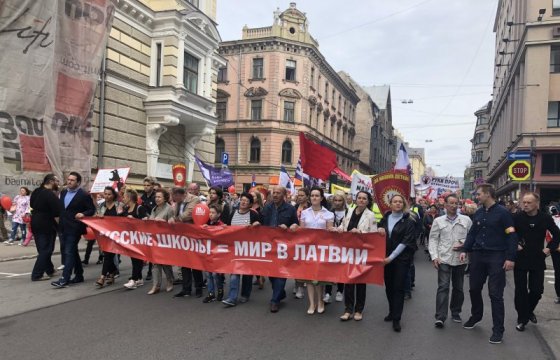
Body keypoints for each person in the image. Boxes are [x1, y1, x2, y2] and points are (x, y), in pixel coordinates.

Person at [459, 184, 517, 344]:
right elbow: (472, 234)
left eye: (479, 194)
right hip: (478, 255)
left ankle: (498, 330)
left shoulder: (503, 213)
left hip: (497, 256)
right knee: (474, 288)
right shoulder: (478, 212)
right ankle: (476, 315)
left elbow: (512, 236)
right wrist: (465, 249)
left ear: (487, 194)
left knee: (495, 294)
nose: (477, 197)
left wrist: (511, 258)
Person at [512, 192, 560, 331]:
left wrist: (549, 249)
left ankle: (528, 311)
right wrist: (514, 242)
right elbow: (508, 231)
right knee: (520, 291)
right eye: (524, 202)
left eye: (528, 202)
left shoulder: (545, 218)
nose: (525, 205)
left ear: (536, 204)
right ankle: (522, 319)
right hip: (520, 257)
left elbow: (557, 234)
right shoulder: (517, 217)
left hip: (538, 257)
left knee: (537, 290)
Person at [428, 194, 472, 328]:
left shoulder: (466, 220)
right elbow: (433, 239)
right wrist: (434, 256)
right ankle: (440, 316)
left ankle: (456, 311)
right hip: (444, 258)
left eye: (456, 203)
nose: (453, 206)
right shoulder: (438, 221)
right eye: (451, 203)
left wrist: (464, 245)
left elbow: (471, 237)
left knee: (458, 288)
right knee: (443, 287)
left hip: (460, 258)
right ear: (445, 205)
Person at [255, 186, 299, 313]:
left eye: (278, 193)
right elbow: (262, 221)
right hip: (268, 245)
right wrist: (257, 223)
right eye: (274, 193)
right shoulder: (267, 207)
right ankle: (280, 293)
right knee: (271, 272)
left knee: (280, 273)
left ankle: (274, 301)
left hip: (283, 246)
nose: (275, 195)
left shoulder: (290, 209)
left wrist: (290, 226)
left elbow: (295, 225)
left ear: (284, 195)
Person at [337, 190, 378, 322]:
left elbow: (374, 235)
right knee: (348, 281)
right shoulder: (349, 211)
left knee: (360, 282)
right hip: (348, 251)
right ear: (355, 200)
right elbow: (343, 226)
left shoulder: (370, 215)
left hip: (362, 253)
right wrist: (338, 229)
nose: (361, 200)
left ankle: (359, 310)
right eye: (359, 198)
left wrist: (360, 232)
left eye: (364, 199)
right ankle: (348, 309)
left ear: (367, 201)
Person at [378, 194, 417, 332]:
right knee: (389, 287)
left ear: (404, 204)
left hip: (401, 259)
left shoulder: (409, 221)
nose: (398, 204)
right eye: (395, 202)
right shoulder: (385, 218)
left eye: (400, 202)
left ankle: (397, 318)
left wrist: (391, 257)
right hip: (386, 259)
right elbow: (378, 235)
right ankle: (391, 311)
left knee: (398, 288)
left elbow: (405, 242)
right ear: (390, 204)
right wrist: (379, 229)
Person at [51, 172, 96, 288]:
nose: (69, 181)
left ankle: (65, 278)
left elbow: (91, 209)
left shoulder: (84, 195)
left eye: (72, 180)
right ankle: (79, 275)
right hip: (63, 226)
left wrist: (83, 213)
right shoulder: (63, 192)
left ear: (78, 182)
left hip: (75, 227)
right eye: (69, 179)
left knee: (69, 252)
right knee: (73, 251)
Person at [222, 193, 262, 307]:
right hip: (235, 248)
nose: (243, 202)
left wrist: (256, 224)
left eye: (246, 201)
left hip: (248, 249)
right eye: (242, 200)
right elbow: (228, 227)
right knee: (234, 273)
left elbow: (261, 227)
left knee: (247, 274)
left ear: (250, 204)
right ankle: (232, 298)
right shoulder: (233, 213)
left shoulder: (253, 214)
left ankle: (245, 294)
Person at [300, 187, 334, 314]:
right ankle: (311, 303)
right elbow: (301, 231)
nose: (314, 197)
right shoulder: (304, 213)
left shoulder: (328, 213)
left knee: (319, 276)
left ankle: (320, 301)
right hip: (308, 248)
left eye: (317, 195)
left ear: (321, 198)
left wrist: (333, 229)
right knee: (309, 277)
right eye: (312, 195)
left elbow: (329, 229)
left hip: (321, 248)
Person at [173, 186, 204, 298]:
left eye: (175, 197)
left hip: (193, 235)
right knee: (184, 263)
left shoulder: (194, 199)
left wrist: (175, 219)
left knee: (195, 263)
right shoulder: (178, 202)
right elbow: (175, 214)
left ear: (181, 195)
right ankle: (186, 289)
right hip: (181, 236)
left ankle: (199, 288)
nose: (174, 200)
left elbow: (187, 215)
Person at [30, 174, 62, 281]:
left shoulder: (36, 191)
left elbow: (32, 204)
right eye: (57, 181)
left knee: (42, 248)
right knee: (47, 249)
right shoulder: (50, 194)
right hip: (46, 223)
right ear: (51, 181)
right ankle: (37, 274)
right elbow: (57, 211)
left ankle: (49, 269)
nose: (58, 183)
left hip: (35, 221)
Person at [147, 188, 175, 295]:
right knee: (155, 263)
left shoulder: (169, 209)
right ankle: (156, 285)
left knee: (165, 262)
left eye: (159, 197)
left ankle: (169, 280)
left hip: (166, 240)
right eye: (156, 197)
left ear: (165, 198)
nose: (157, 199)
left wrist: (164, 222)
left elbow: (173, 225)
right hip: (155, 239)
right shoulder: (154, 209)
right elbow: (151, 222)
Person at [94, 186, 121, 288]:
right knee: (107, 255)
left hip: (116, 234)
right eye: (105, 194)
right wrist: (97, 216)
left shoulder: (119, 205)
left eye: (109, 194)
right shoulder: (101, 206)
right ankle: (113, 272)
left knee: (108, 255)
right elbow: (96, 217)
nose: (107, 196)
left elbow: (123, 218)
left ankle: (102, 277)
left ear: (113, 195)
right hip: (105, 234)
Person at [121, 189, 148, 289]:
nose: (123, 198)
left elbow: (145, 222)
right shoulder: (125, 208)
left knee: (137, 259)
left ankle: (133, 279)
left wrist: (134, 220)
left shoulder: (140, 208)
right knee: (133, 258)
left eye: (124, 196)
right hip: (130, 238)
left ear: (129, 198)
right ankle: (139, 279)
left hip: (139, 238)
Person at [201, 204, 226, 303]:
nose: (210, 215)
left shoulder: (221, 225)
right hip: (208, 253)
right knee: (208, 274)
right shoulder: (206, 223)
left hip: (218, 255)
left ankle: (220, 290)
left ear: (219, 214)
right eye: (209, 213)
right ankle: (211, 293)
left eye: (213, 213)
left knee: (216, 274)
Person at [325, 191, 346, 303]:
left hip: (343, 245)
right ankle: (328, 292)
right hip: (330, 244)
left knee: (340, 268)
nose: (337, 203)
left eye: (340, 200)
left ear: (344, 201)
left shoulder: (349, 212)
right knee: (329, 269)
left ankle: (340, 290)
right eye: (335, 200)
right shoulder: (329, 213)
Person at [293, 187, 311, 299]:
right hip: (295, 239)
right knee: (296, 262)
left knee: (306, 263)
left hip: (308, 239)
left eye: (302, 195)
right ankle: (298, 285)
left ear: (307, 197)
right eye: (298, 195)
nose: (299, 197)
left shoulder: (310, 208)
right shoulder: (294, 207)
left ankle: (306, 282)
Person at [550, 206, 560, 304]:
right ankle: (559, 295)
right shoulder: (554, 219)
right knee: (558, 272)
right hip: (557, 249)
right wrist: (555, 246)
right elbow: (549, 234)